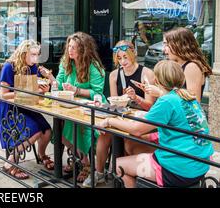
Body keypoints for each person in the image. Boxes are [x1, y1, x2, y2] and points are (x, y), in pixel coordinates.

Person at [100, 60, 214, 188]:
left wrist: (109, 120)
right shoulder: (188, 97)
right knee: (132, 145)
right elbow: (182, 129)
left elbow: (136, 129)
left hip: (179, 168)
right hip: (200, 164)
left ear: (157, 81)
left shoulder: (167, 100)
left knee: (117, 165)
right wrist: (149, 137)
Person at [82, 40, 156, 187]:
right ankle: (99, 173)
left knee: (128, 140)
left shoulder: (147, 73)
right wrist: (121, 100)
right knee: (104, 134)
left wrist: (136, 98)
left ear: (133, 54)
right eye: (119, 58)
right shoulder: (114, 75)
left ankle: (126, 175)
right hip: (121, 116)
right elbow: (113, 102)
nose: (123, 61)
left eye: (125, 57)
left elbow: (151, 107)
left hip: (141, 120)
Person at [42, 32, 106, 182]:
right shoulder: (66, 61)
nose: (70, 50)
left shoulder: (94, 67)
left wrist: (76, 90)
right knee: (60, 131)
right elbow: (58, 83)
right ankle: (83, 161)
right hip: (69, 105)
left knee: (79, 128)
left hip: (91, 107)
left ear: (83, 50)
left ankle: (86, 163)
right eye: (69, 46)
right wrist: (51, 81)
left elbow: (97, 92)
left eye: (74, 48)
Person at [0, 39, 54, 179]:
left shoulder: (33, 67)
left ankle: (42, 155)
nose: (35, 58)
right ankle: (11, 162)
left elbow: (49, 84)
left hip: (27, 106)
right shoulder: (9, 67)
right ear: (23, 54)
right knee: (34, 130)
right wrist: (25, 90)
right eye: (32, 55)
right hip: (10, 110)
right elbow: (3, 95)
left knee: (47, 130)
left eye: (37, 55)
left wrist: (45, 87)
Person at [144, 27, 212, 104]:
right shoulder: (178, 65)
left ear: (179, 45)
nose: (164, 49)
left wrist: (160, 93)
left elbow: (194, 102)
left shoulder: (191, 67)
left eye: (166, 44)